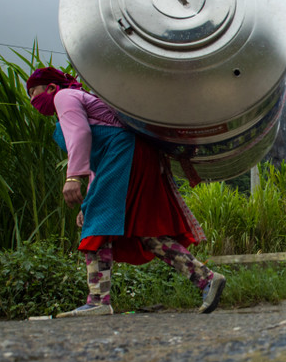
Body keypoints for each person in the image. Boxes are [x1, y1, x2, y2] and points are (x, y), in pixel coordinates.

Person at [26, 66, 225, 317]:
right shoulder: (85, 100)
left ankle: (98, 300)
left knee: (98, 225)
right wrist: (90, 199)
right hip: (134, 155)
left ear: (51, 87)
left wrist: (74, 177)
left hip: (124, 152)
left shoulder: (64, 97)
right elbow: (98, 156)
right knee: (143, 230)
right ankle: (206, 279)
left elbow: (81, 135)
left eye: (34, 92)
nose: (33, 100)